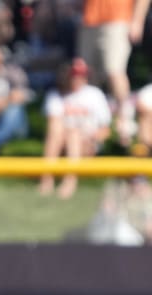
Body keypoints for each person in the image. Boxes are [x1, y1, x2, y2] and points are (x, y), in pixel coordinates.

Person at [77, 0, 151, 146]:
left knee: (114, 71)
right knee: (87, 75)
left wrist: (137, 20)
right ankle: (92, 126)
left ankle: (125, 120)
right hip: (89, 20)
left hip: (118, 19)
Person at [38, 58, 111, 199]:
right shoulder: (56, 95)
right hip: (60, 142)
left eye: (82, 75)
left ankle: (70, 181)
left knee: (74, 134)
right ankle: (47, 178)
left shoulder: (95, 94)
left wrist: (91, 138)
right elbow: (53, 124)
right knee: (59, 129)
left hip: (87, 144)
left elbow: (105, 130)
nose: (78, 78)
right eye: (75, 74)